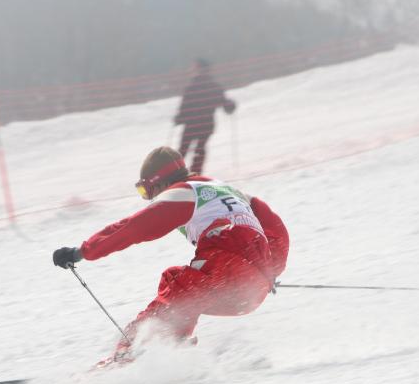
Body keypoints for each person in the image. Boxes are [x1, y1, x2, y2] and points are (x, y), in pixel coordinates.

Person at [53, 146, 289, 366]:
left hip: (225, 270)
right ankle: (174, 344)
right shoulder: (231, 191)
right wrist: (267, 273)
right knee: (174, 279)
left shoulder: (183, 193)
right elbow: (277, 232)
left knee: (178, 293)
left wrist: (83, 251)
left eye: (146, 191)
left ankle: (128, 356)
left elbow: (133, 228)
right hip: (251, 292)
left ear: (159, 183)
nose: (150, 198)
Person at [174, 58, 236, 174]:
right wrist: (230, 106)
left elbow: (185, 106)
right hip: (206, 124)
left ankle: (176, 172)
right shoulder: (214, 86)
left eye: (195, 68)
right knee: (199, 148)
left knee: (184, 149)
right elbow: (224, 103)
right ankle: (195, 172)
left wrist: (180, 118)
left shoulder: (192, 87)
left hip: (192, 124)